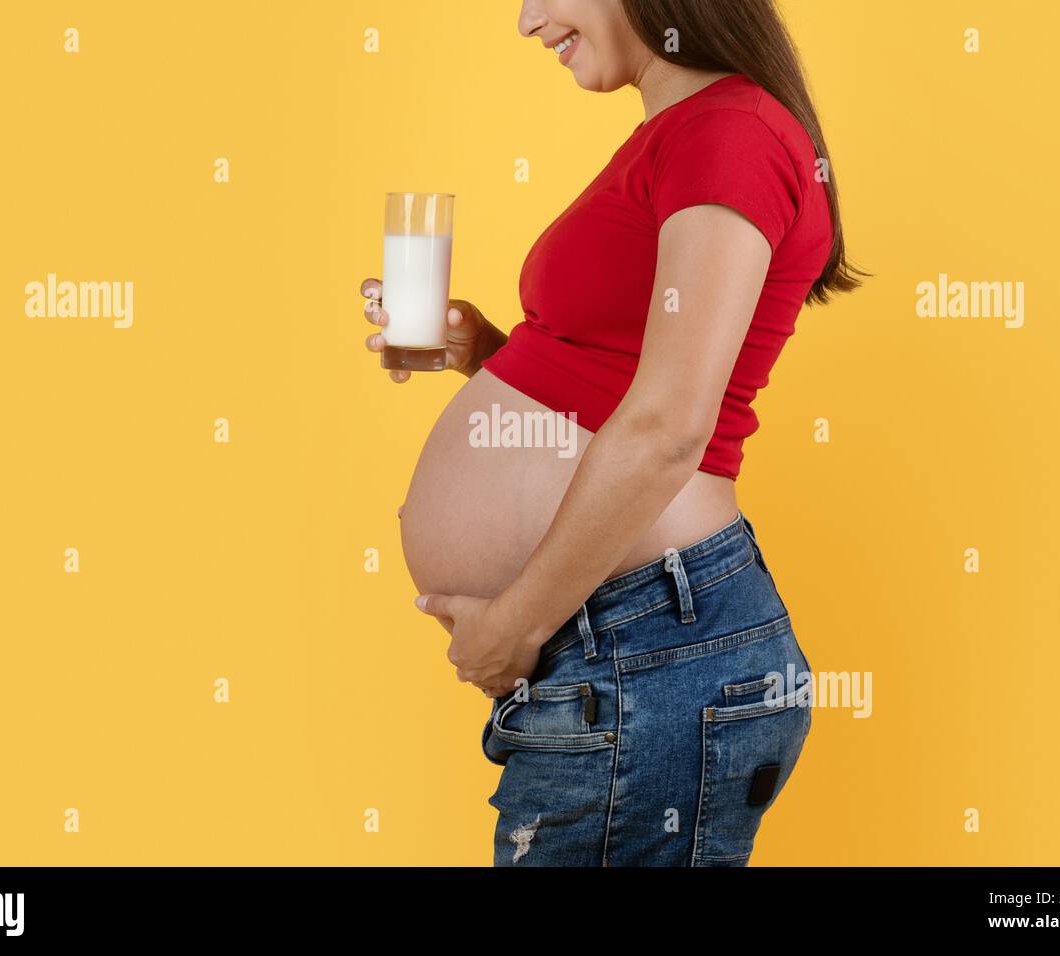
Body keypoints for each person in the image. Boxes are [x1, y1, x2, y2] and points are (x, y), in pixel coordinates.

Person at [360, 0, 865, 866]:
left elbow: (671, 427)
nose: (526, 20)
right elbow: (625, 376)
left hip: (643, 646)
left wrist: (517, 623)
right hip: (626, 649)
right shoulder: (686, 129)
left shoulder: (730, 131)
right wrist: (487, 355)